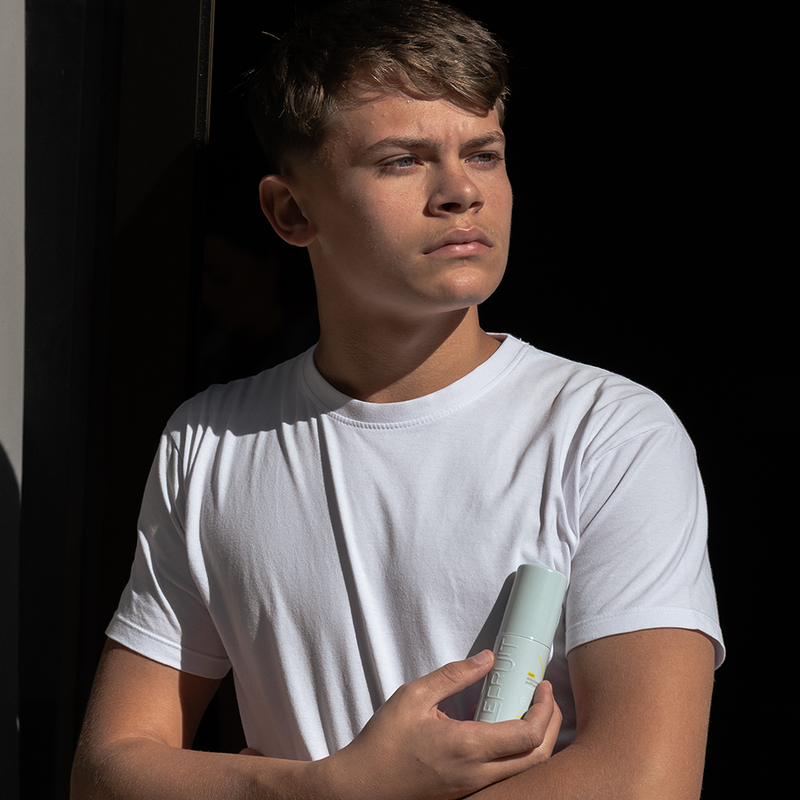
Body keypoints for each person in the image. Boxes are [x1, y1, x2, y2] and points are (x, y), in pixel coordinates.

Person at [70, 1, 724, 798]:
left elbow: (647, 782)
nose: (461, 191)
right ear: (291, 211)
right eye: (402, 160)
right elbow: (107, 770)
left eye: (484, 153)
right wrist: (335, 787)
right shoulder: (211, 441)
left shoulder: (607, 432)